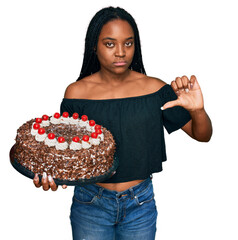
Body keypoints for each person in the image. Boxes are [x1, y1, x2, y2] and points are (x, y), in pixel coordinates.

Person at [33, 6, 212, 240]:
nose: (121, 52)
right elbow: (68, 154)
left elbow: (203, 135)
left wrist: (198, 110)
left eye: (128, 43)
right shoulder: (76, 93)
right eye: (110, 44)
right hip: (90, 203)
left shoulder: (156, 89)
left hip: (140, 204)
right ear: (94, 46)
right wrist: (53, 177)